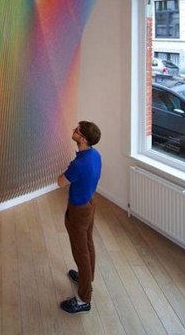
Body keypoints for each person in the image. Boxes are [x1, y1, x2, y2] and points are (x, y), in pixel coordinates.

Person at [57, 120, 102, 314]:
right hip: (90, 204)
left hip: (78, 210)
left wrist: (67, 171)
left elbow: (60, 182)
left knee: (80, 252)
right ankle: (87, 277)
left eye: (77, 130)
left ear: (83, 139)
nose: (73, 131)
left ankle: (84, 299)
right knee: (88, 244)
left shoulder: (79, 163)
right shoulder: (95, 155)